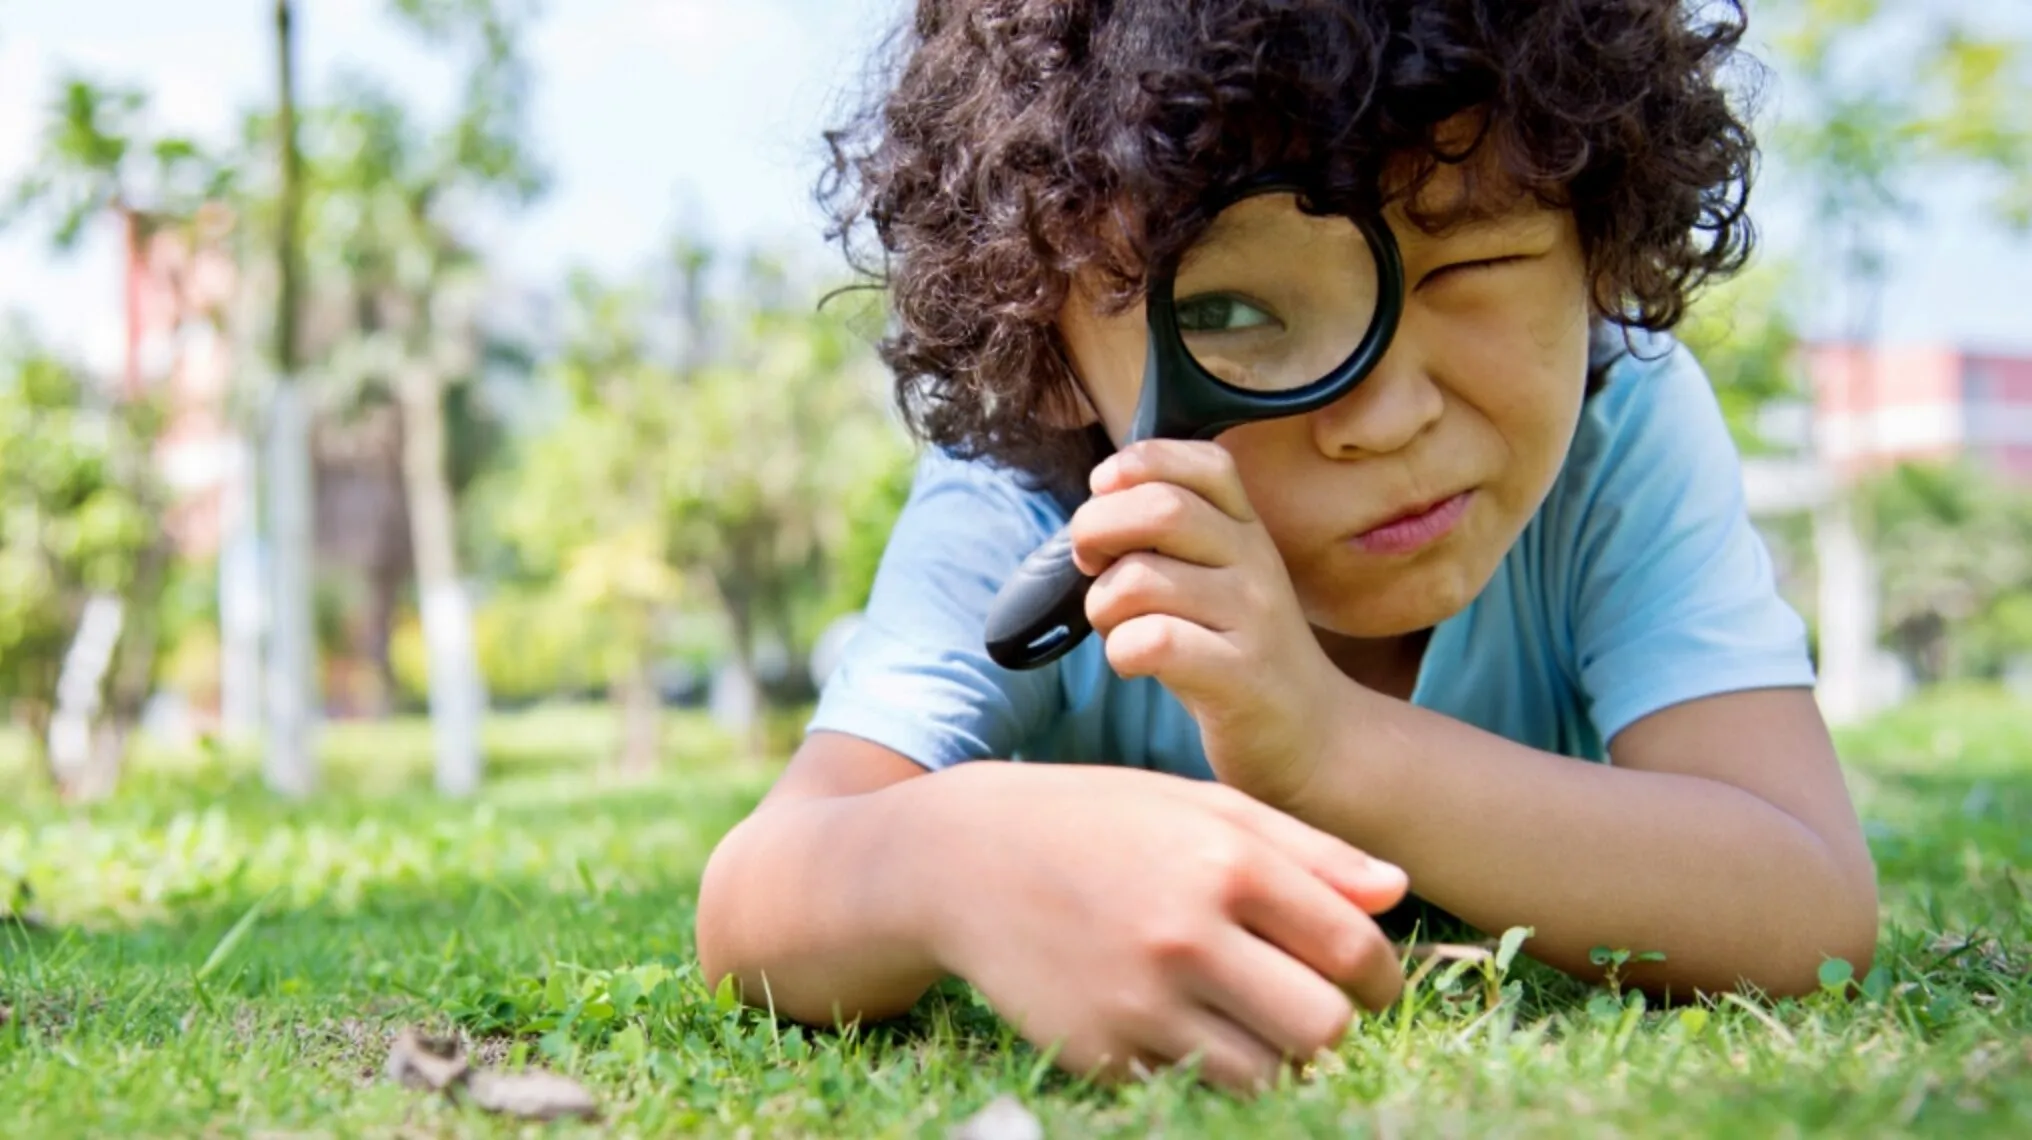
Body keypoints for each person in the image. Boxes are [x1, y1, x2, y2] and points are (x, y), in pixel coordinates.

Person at [695, 0, 1880, 1094]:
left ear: (1602, 246)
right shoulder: (1017, 506)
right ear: (1047, 346)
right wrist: (951, 862)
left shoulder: (1625, 422)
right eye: (1229, 314)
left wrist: (1324, 745)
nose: (1384, 416)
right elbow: (758, 894)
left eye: (1472, 264)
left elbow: (1805, 900)